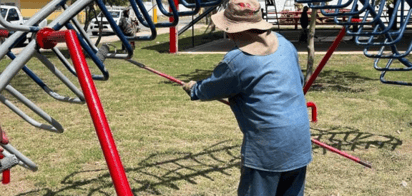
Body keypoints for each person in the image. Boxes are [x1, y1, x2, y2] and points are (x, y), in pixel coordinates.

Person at [182, 0, 312, 195]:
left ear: (232, 30)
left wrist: (193, 88)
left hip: (267, 149)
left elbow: (211, 88)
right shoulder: (285, 44)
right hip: (300, 142)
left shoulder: (236, 61)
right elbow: (298, 82)